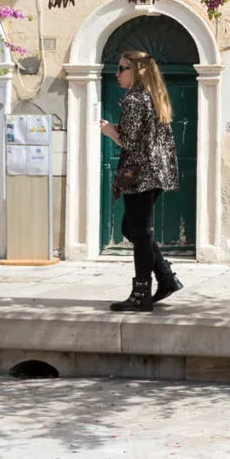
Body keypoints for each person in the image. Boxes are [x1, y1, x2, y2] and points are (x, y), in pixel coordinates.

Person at [99, 50, 182, 312]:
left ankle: (141, 294)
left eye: (122, 68)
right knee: (133, 229)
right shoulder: (153, 97)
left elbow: (132, 143)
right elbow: (145, 137)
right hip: (156, 173)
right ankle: (166, 278)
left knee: (139, 234)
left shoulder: (135, 99)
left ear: (135, 70)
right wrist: (116, 128)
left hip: (140, 175)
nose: (117, 74)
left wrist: (109, 132)